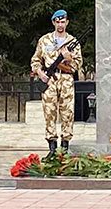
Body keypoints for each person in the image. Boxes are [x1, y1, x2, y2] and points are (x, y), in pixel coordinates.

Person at [31, 9, 83, 158]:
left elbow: (78, 64)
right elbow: (35, 60)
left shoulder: (73, 42)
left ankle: (65, 148)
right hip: (49, 80)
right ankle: (52, 149)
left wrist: (68, 58)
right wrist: (40, 73)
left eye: (63, 22)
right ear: (54, 22)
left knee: (67, 113)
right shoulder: (45, 40)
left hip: (66, 79)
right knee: (49, 113)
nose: (60, 25)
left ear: (67, 22)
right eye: (57, 22)